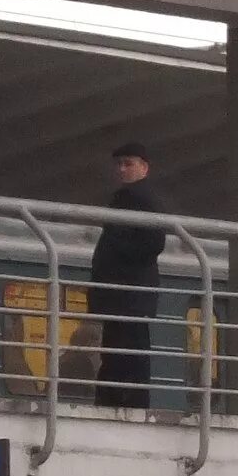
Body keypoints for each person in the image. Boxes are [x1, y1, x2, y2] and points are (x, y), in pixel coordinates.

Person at [90, 141, 167, 410]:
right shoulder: (133, 197)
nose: (122, 169)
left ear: (144, 167)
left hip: (128, 294)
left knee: (125, 353)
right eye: (119, 164)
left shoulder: (138, 198)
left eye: (128, 163)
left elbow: (154, 241)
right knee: (121, 352)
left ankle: (121, 401)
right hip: (127, 295)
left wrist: (119, 252)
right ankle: (119, 399)